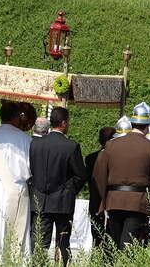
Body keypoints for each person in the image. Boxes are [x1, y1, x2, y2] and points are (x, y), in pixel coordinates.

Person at [92, 102, 150, 250]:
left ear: (132, 123)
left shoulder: (111, 145)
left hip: (114, 201)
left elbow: (98, 175)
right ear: (147, 125)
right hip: (138, 203)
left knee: (116, 245)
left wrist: (105, 199)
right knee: (128, 248)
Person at [29, 107, 86, 267]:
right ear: (63, 123)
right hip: (62, 201)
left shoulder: (35, 144)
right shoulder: (71, 146)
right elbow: (80, 175)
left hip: (40, 200)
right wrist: (69, 190)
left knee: (40, 242)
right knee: (63, 241)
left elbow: (32, 170)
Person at [0, 102, 33, 265]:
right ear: (17, 117)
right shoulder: (26, 139)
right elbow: (31, 165)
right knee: (19, 232)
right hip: (18, 187)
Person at [85, 126, 115, 247]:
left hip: (95, 200)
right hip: (109, 200)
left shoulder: (90, 158)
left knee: (96, 235)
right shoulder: (115, 158)